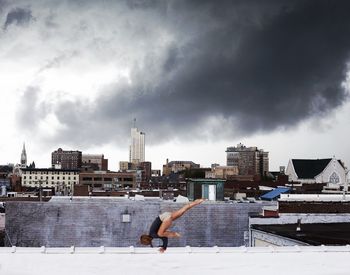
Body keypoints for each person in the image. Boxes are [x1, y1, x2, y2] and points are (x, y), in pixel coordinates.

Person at [140, 198, 205, 253]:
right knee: (183, 210)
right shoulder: (152, 234)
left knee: (160, 233)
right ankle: (197, 201)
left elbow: (164, 237)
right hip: (165, 216)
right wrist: (164, 247)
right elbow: (164, 238)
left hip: (165, 218)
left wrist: (165, 245)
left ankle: (174, 234)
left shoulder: (153, 234)